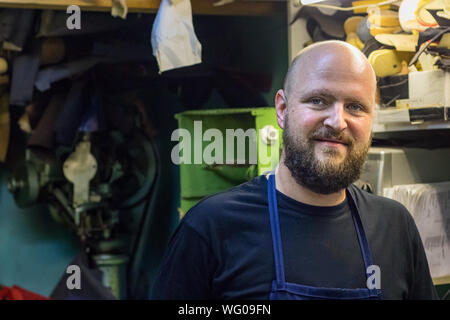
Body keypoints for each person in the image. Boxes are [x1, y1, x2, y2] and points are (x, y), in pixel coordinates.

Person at [151, 40, 439, 300]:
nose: (337, 122)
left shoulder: (395, 225)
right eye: (318, 101)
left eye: (354, 106)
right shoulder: (211, 227)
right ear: (282, 109)